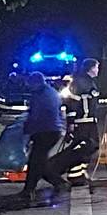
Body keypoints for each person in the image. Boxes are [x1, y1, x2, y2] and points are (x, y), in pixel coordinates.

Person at [18, 68, 71, 207]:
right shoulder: (51, 92)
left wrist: (27, 132)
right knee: (39, 161)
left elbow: (35, 115)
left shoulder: (39, 95)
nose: (28, 87)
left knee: (36, 161)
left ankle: (31, 190)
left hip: (44, 131)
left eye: (30, 84)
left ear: (35, 83)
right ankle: (56, 183)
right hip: (53, 130)